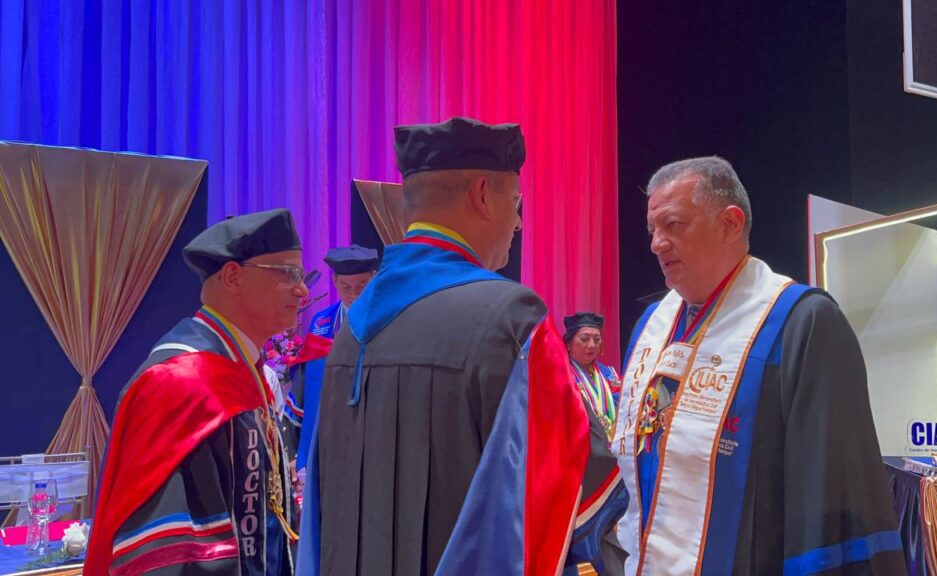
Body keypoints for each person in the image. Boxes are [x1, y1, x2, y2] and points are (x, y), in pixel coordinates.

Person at [298, 117, 628, 575]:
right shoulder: (512, 317)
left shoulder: (351, 327)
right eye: (515, 203)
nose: (517, 223)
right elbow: (575, 487)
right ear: (482, 195)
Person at [614, 157, 905, 575]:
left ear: (730, 224)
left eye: (673, 225)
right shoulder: (652, 327)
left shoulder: (801, 324)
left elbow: (830, 499)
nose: (656, 244)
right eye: (652, 230)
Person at [85, 209, 307, 576]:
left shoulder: (242, 369)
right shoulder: (181, 381)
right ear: (233, 277)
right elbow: (167, 553)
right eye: (288, 273)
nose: (303, 290)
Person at [286, 246, 380, 474]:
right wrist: (294, 450)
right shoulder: (322, 324)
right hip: (327, 432)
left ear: (374, 279)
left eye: (362, 286)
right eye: (346, 286)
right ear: (335, 281)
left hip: (372, 430)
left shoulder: (387, 322)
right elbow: (304, 386)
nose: (353, 294)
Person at [564, 311, 621, 439]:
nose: (592, 345)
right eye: (584, 339)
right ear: (568, 344)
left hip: (612, 443)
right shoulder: (562, 375)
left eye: (596, 339)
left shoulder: (609, 374)